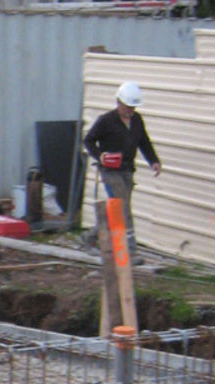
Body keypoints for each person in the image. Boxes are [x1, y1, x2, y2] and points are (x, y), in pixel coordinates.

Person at [83, 81, 161, 257]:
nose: (130, 111)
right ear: (118, 102)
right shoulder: (106, 121)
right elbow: (88, 140)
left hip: (127, 170)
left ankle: (89, 237)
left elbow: (144, 142)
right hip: (110, 171)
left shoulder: (137, 121)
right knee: (123, 208)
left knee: (115, 209)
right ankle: (129, 251)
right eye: (127, 107)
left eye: (133, 108)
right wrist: (100, 155)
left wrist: (153, 161)